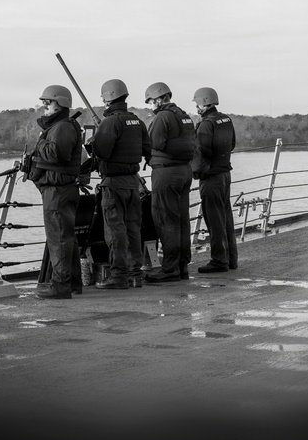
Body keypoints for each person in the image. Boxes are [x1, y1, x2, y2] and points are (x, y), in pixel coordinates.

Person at [89, 78, 151, 289]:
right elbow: (146, 149)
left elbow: (102, 152)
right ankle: (135, 274)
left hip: (114, 184)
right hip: (133, 183)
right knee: (134, 229)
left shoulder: (110, 122)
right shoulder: (137, 121)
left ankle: (118, 275)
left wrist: (94, 142)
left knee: (115, 230)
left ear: (107, 98)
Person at [29, 85, 84, 299]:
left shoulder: (61, 127)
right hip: (60, 189)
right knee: (66, 236)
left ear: (60, 103)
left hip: (57, 191)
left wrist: (39, 144)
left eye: (48, 102)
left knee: (58, 238)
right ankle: (73, 283)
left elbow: (56, 154)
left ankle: (61, 285)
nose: (44, 105)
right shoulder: (61, 126)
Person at [142, 82, 196, 284]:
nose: (150, 106)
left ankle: (170, 268)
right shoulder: (184, 116)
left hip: (166, 174)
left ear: (158, 99)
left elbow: (154, 144)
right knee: (182, 220)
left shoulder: (162, 118)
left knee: (165, 219)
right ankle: (182, 266)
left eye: (150, 102)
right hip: (184, 171)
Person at [190, 87, 237, 272]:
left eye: (197, 104)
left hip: (211, 177)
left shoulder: (206, 124)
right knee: (226, 218)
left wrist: (196, 171)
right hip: (225, 173)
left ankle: (219, 261)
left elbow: (202, 151)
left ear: (204, 102)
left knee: (214, 220)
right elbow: (232, 144)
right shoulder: (226, 119)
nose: (196, 107)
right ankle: (231, 259)